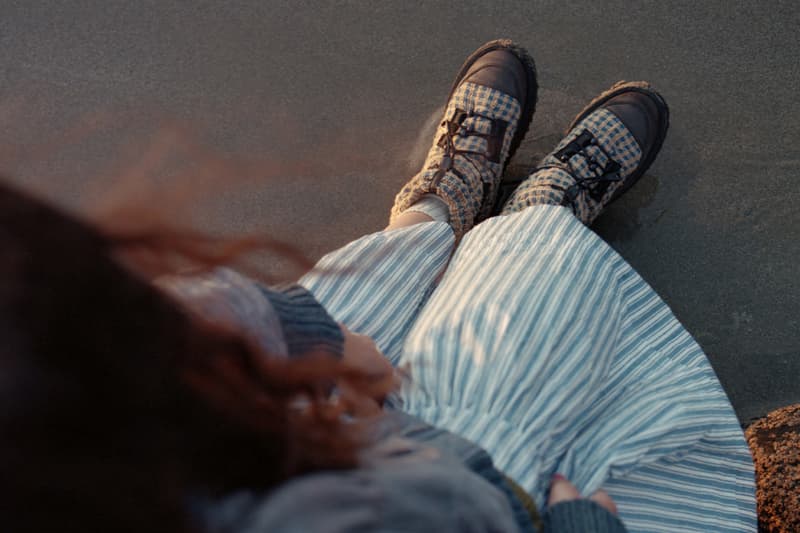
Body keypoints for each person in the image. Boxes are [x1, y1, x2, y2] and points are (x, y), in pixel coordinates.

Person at [0, 39, 756, 532]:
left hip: (300, 418)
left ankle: (437, 212)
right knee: (521, 311)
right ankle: (541, 215)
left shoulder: (60, 381)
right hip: (493, 497)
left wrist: (300, 328)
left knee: (378, 288)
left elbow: (119, 331)